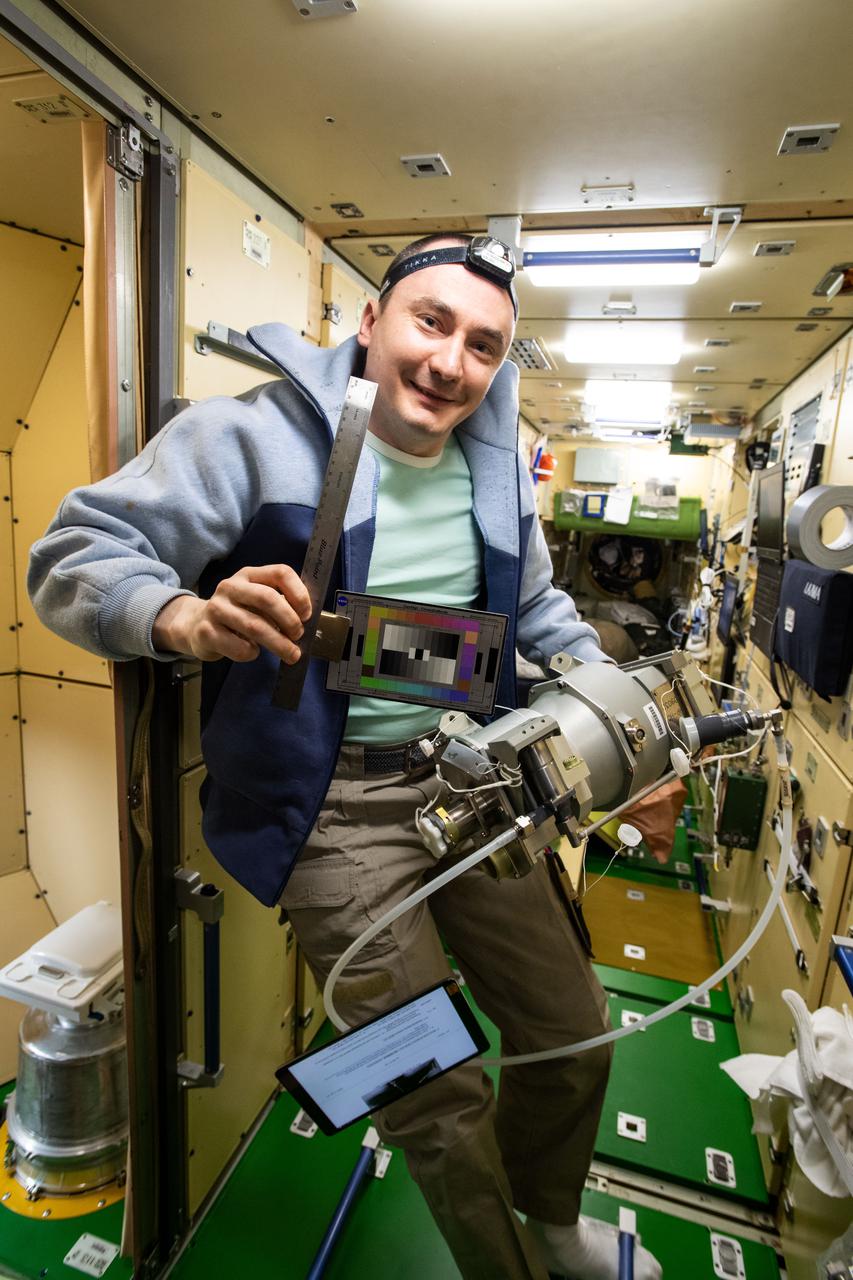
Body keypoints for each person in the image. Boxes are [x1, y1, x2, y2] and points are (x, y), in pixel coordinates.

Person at [29, 233, 662, 1280]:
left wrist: (622, 707)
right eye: (430, 322)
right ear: (370, 320)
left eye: (483, 344)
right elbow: (71, 555)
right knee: (433, 1094)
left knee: (574, 1027)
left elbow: (539, 613)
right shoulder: (250, 436)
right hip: (332, 815)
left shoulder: (496, 470)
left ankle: (551, 1220)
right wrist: (185, 616)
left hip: (471, 780)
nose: (451, 361)